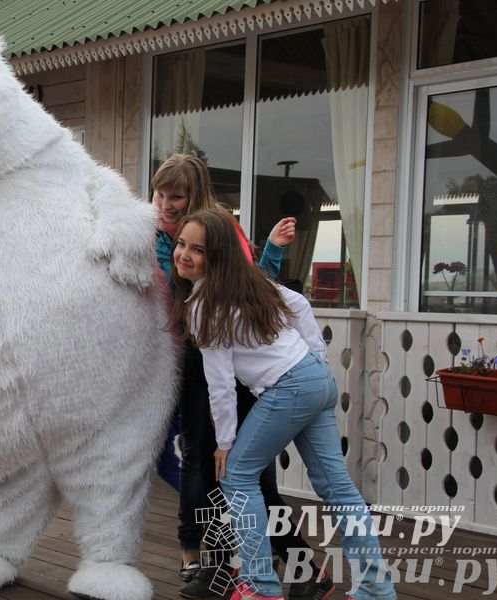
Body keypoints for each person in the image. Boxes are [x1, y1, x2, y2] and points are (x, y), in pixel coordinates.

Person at [168, 209, 396, 600]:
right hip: (314, 379)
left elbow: (220, 384)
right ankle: (376, 589)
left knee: (236, 477)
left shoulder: (203, 303)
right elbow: (301, 305)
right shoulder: (252, 281)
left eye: (197, 249)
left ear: (218, 255)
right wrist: (317, 358)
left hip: (288, 387)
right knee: (337, 487)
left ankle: (260, 588)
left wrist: (225, 442)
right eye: (180, 244)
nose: (184, 254)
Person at [151, 155, 322, 600]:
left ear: (196, 198)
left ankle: (301, 571)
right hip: (194, 363)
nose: (166, 205)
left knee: (241, 476)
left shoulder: (215, 234)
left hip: (229, 367)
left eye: (177, 196)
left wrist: (274, 249)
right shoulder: (156, 237)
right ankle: (223, 568)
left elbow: (255, 283)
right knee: (208, 472)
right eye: (160, 194)